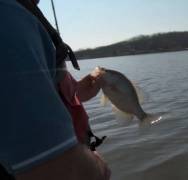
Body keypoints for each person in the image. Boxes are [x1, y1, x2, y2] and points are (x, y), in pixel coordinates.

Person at [0, 0, 111, 179]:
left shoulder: (20, 15)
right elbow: (64, 171)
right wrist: (97, 166)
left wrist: (77, 91)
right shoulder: (7, 18)